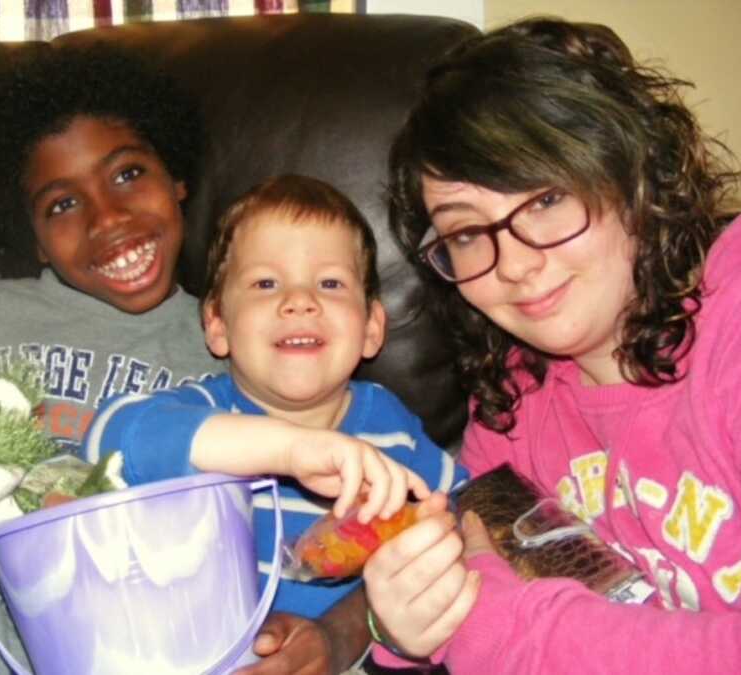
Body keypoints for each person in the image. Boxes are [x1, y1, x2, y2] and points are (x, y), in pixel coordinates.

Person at [360, 16, 741, 674]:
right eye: (464, 233)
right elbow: (470, 591)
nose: (512, 265)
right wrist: (406, 631)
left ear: (632, 171)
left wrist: (495, 625)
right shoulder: (511, 405)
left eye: (543, 198)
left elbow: (493, 620)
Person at [0, 43, 224, 675]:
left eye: (128, 173)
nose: (109, 217)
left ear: (178, 177)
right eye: (63, 204)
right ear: (36, 244)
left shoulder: (227, 345)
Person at [82, 174, 467, 673]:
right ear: (217, 325)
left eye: (330, 283)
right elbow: (109, 439)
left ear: (372, 328)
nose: (300, 300)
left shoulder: (390, 426)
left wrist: (434, 528)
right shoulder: (206, 414)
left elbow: (460, 505)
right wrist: (291, 450)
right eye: (266, 284)